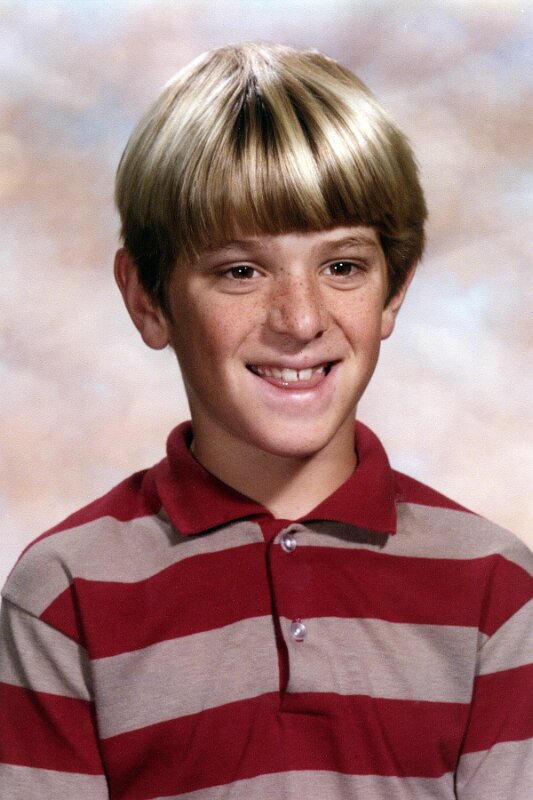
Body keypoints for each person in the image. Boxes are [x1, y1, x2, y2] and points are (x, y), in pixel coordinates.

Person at [0, 43, 531, 800]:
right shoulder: (65, 594)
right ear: (147, 298)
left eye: (341, 266)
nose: (300, 319)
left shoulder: (493, 588)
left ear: (393, 292)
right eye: (240, 271)